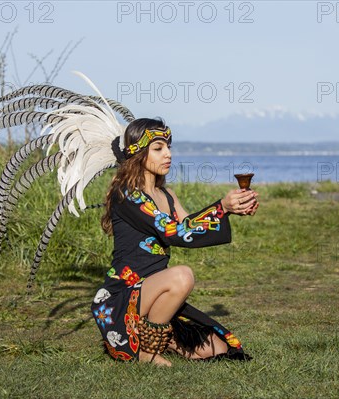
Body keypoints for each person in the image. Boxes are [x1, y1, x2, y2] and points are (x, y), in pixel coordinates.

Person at [91, 117, 259, 365]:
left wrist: (229, 209)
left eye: (169, 147)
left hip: (154, 297)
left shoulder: (167, 195)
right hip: (121, 300)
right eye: (158, 149)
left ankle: (155, 337)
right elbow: (174, 233)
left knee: (218, 348)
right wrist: (220, 207)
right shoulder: (126, 194)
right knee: (182, 276)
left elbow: (186, 226)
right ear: (138, 154)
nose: (168, 154)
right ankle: (147, 351)